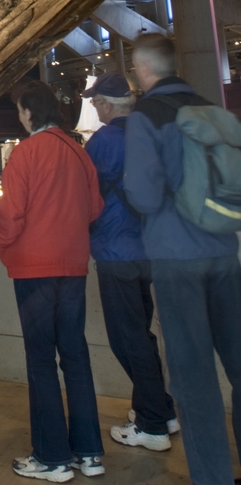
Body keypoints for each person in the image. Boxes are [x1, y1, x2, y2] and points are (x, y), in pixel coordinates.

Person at [124, 33, 241, 485]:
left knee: (194, 378)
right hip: (224, 252)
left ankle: (213, 477)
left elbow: (144, 195)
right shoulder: (210, 108)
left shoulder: (146, 116)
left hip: (176, 257)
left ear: (142, 69)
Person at [0, 83, 104, 483]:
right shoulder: (77, 151)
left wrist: (0, 237)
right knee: (75, 355)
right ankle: (89, 453)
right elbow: (94, 207)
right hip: (73, 265)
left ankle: (52, 457)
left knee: (41, 359)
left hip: (34, 268)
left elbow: (11, 214)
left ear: (28, 113)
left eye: (21, 110)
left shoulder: (25, 153)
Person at [82, 72, 178, 451]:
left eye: (95, 102)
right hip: (149, 250)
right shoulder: (149, 134)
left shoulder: (103, 141)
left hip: (115, 251)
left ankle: (152, 425)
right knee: (142, 333)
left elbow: (83, 191)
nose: (94, 108)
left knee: (127, 339)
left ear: (106, 105)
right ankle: (162, 411)